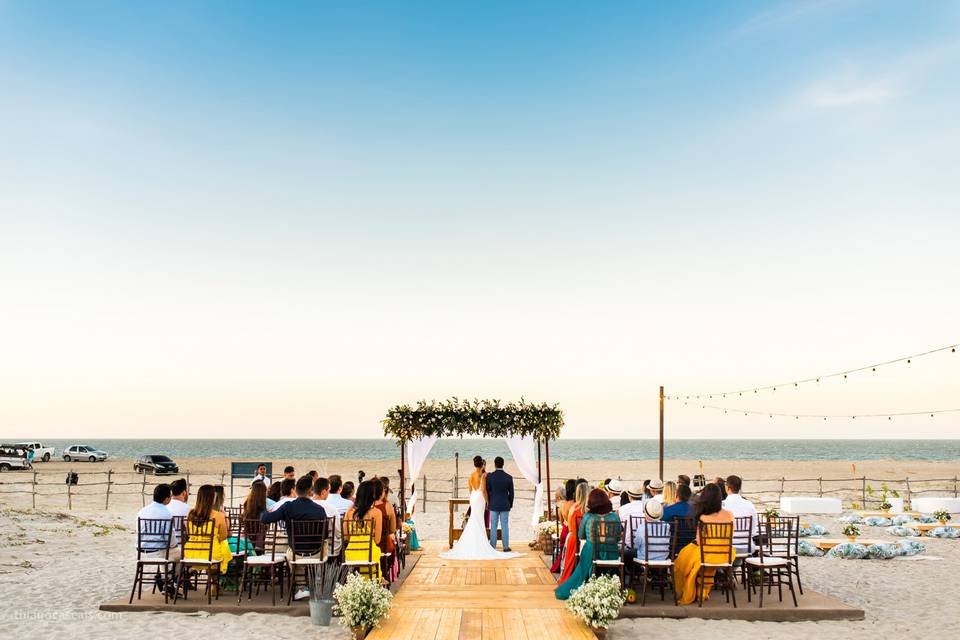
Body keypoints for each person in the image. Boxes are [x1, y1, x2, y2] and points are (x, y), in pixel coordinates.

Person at [261, 476, 329, 600]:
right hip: (316, 553)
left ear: (296, 490)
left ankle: (301, 587)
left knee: (291, 550)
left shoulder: (288, 507)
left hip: (296, 553)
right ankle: (316, 580)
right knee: (323, 543)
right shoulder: (320, 510)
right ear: (311, 491)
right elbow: (325, 535)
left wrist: (264, 511)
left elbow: (265, 519)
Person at [441, 456, 518, 560]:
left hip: (476, 499)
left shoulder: (476, 476)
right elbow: (486, 491)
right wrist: (490, 502)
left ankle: (491, 545)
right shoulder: (495, 476)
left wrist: (483, 501)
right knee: (499, 524)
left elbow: (472, 491)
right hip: (492, 502)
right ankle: (505, 547)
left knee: (485, 523)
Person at [673, 483, 735, 605]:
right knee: (692, 557)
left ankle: (691, 589)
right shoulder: (730, 515)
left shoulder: (703, 517)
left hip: (706, 553)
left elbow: (699, 541)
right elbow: (731, 536)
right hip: (725, 554)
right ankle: (702, 591)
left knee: (682, 558)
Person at [555, 489, 621, 600]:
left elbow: (581, 536)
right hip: (612, 554)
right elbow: (618, 537)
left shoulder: (588, 517)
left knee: (587, 551)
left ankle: (588, 584)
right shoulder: (615, 517)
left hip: (592, 553)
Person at [184, 485, 232, 579]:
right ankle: (214, 582)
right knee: (223, 545)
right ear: (211, 499)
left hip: (191, 551)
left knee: (216, 548)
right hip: (211, 553)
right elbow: (224, 536)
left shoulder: (190, 513)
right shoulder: (218, 515)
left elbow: (189, 534)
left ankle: (193, 569)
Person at [343, 480, 383, 580]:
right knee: (376, 552)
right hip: (369, 555)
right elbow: (377, 540)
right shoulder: (377, 513)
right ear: (372, 496)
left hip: (351, 554)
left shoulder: (349, 512)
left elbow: (346, 537)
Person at [557, 481, 589, 583]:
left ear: (577, 493)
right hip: (584, 540)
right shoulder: (588, 510)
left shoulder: (574, 508)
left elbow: (569, 525)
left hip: (573, 539)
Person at [371, 478, 398, 579]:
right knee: (392, 544)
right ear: (381, 492)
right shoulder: (387, 505)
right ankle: (385, 574)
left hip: (366, 546)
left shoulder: (362, 508)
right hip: (384, 545)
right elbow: (392, 528)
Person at [486, 457, 514, 552]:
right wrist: (509, 504)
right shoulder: (509, 477)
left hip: (493, 504)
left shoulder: (490, 477)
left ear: (495, 464)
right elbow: (512, 494)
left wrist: (489, 501)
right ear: (503, 464)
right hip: (505, 504)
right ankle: (505, 547)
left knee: (493, 525)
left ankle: (492, 546)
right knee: (505, 525)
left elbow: (488, 490)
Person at [722, 474, 760, 546]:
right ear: (739, 488)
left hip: (727, 547)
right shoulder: (749, 504)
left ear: (727, 488)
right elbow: (754, 530)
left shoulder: (722, 506)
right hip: (747, 546)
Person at [550, 479, 578, 573]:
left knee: (563, 552)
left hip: (564, 531)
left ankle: (561, 567)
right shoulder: (576, 505)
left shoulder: (562, 505)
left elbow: (561, 522)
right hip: (572, 532)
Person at [618, 482, 646, 563]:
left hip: (629, 545)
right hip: (646, 546)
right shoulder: (647, 507)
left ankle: (627, 571)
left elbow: (622, 527)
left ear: (629, 496)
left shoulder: (622, 509)